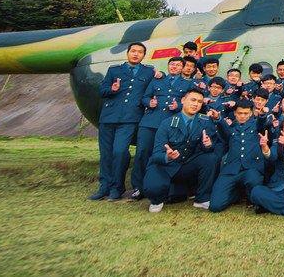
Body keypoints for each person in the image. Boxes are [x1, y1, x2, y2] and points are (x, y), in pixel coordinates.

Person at [91, 42, 158, 201]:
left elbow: (155, 86)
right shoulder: (114, 70)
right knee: (106, 154)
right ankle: (104, 187)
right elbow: (102, 91)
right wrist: (112, 89)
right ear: (128, 53)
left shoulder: (148, 72)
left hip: (130, 118)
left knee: (120, 152)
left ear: (144, 55)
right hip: (108, 117)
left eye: (140, 52)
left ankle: (117, 187)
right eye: (133, 51)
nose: (136, 54)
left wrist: (160, 74)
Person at [143, 89, 223, 212]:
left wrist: (208, 145)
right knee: (154, 189)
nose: (196, 104)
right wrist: (168, 156)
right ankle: (159, 198)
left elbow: (209, 148)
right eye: (193, 100)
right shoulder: (167, 123)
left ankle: (202, 199)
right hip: (165, 166)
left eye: (200, 102)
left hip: (186, 165)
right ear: (183, 100)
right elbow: (156, 154)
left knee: (211, 158)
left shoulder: (205, 121)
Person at [129, 56, 191, 201]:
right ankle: (138, 187)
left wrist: (179, 106)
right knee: (142, 153)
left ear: (183, 68)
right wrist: (149, 102)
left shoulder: (187, 84)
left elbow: (190, 103)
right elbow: (144, 97)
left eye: (177, 65)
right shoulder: (157, 80)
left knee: (164, 155)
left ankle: (161, 185)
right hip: (150, 122)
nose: (174, 67)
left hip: (170, 125)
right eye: (172, 64)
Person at [209, 100, 266, 212]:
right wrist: (218, 119)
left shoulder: (256, 125)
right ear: (235, 113)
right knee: (215, 206)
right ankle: (236, 194)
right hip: (231, 169)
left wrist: (262, 115)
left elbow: (261, 124)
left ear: (250, 113)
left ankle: (250, 196)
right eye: (240, 113)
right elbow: (225, 131)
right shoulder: (231, 128)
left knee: (253, 181)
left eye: (246, 113)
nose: (243, 116)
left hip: (251, 168)